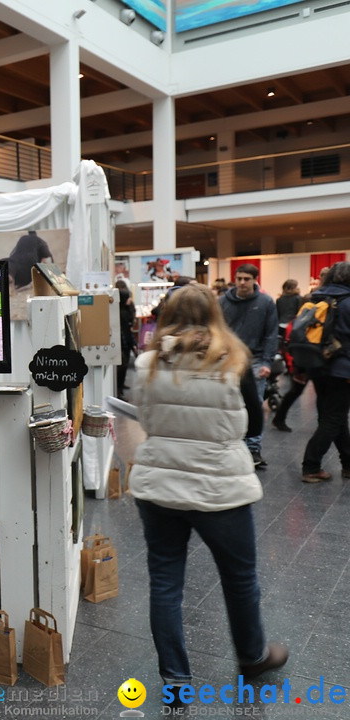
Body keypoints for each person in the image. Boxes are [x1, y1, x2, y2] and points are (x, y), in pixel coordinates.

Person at [130, 284, 288, 700]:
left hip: (158, 484)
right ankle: (252, 657)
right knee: (239, 579)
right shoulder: (233, 360)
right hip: (220, 489)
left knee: (165, 582)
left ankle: (176, 680)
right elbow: (254, 424)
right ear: (216, 314)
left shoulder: (147, 361)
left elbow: (144, 418)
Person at [219, 264, 278, 469]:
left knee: (254, 404)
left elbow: (271, 334)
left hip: (255, 360)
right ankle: (231, 445)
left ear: (254, 280)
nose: (242, 282)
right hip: (227, 360)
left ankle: (253, 449)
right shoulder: (223, 302)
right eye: (239, 278)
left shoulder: (266, 302)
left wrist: (267, 362)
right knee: (227, 404)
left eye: (246, 279)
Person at [300, 261, 350, 483]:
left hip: (318, 366)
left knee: (334, 417)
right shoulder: (348, 302)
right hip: (342, 368)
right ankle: (311, 466)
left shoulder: (315, 298)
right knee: (333, 418)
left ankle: (348, 464)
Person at [115, 279, 136, 397]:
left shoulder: (124, 310)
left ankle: (120, 389)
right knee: (122, 367)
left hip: (125, 342)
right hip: (123, 343)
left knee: (124, 367)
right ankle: (119, 390)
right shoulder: (121, 312)